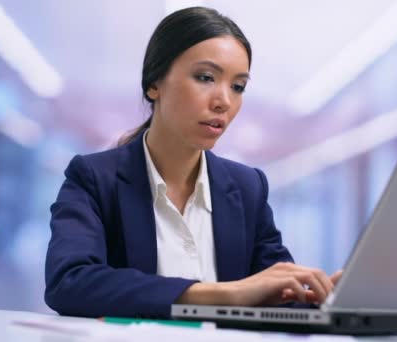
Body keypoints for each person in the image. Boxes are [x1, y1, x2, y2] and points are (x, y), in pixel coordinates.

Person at [45, 6, 342, 319]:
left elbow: (277, 292)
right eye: (205, 77)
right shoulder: (94, 178)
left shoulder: (247, 188)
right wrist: (224, 294)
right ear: (154, 83)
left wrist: (317, 297)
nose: (223, 101)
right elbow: (69, 282)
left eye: (237, 86)